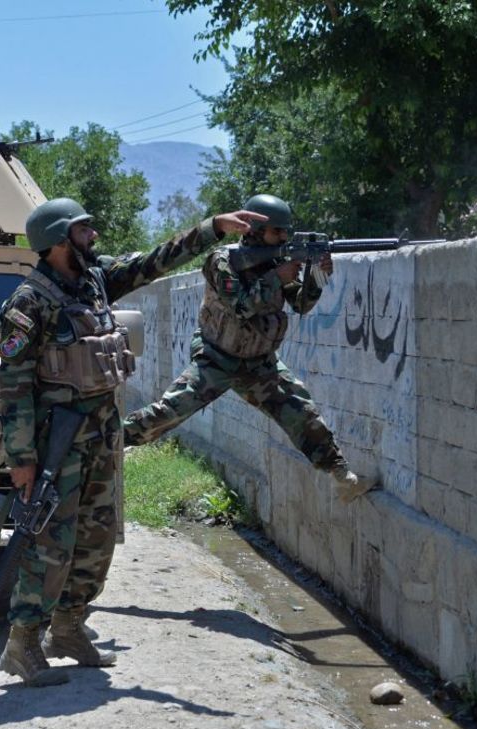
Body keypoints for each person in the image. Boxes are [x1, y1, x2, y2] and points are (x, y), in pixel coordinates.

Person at [0, 197, 264, 686]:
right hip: (57, 443)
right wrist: (22, 460)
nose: (93, 238)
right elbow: (13, 386)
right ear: (57, 242)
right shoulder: (29, 303)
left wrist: (212, 229)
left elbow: (154, 261)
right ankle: (23, 642)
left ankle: (70, 628)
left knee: (97, 539)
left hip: (100, 434)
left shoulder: (95, 281)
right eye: (82, 231)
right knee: (51, 545)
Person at [122, 194, 381, 503]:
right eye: (277, 231)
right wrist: (276, 277)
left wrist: (317, 277)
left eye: (285, 232)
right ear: (255, 231)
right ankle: (109, 441)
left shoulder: (274, 261)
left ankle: (343, 478)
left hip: (259, 364)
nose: (283, 237)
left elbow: (300, 304)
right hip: (216, 359)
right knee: (170, 411)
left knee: (303, 413)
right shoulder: (223, 261)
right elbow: (241, 306)